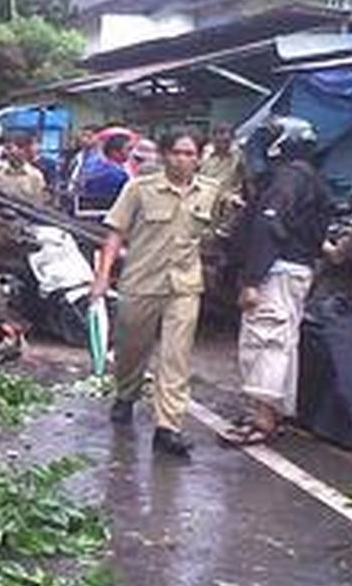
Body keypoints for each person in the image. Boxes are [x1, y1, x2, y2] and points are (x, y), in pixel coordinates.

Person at [89, 131, 220, 456]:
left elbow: (211, 233)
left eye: (190, 154)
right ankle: (125, 393)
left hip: (184, 286)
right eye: (177, 153)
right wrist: (102, 278)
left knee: (176, 356)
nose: (184, 160)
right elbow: (116, 234)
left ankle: (168, 427)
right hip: (141, 282)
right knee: (131, 348)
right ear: (163, 155)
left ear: (199, 157)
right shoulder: (139, 189)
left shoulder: (210, 192)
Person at [223, 117, 331, 445]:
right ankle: (275, 412)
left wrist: (253, 279)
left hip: (278, 270)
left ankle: (263, 419)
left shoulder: (288, 179)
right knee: (283, 342)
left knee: (265, 341)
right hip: (295, 270)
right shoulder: (309, 179)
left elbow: (270, 227)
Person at [0, 132, 47, 205]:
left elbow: (38, 203)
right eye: (9, 148)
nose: (13, 151)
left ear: (27, 150)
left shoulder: (35, 176)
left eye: (20, 147)